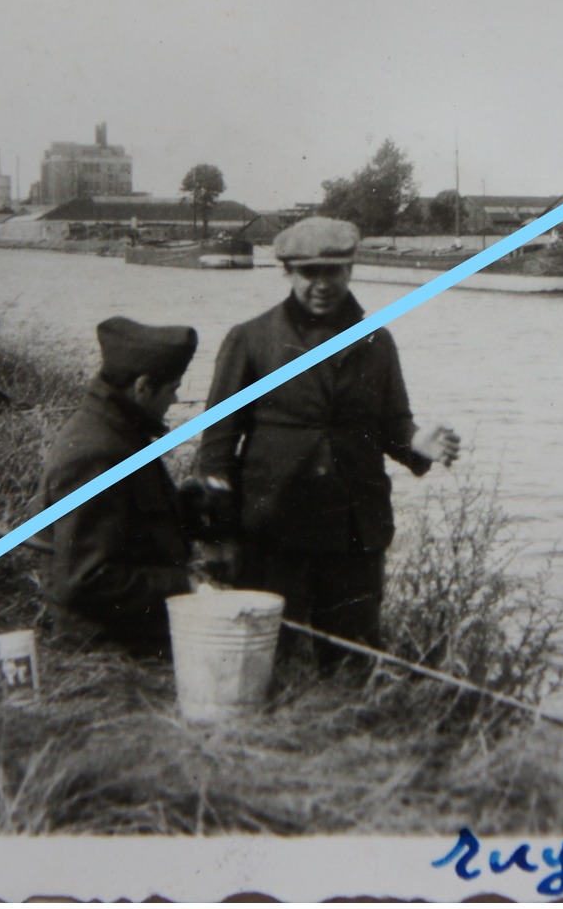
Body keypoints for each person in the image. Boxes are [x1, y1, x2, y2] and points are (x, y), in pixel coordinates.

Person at [197, 216, 460, 665]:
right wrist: (216, 529)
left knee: (353, 656)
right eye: (309, 273)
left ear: (350, 271)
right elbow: (217, 446)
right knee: (268, 655)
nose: (321, 284)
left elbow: (392, 423)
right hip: (274, 528)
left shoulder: (377, 340)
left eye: (332, 272)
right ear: (289, 273)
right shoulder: (251, 339)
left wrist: (417, 442)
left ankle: (348, 726)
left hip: (354, 529)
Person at [40, 316, 202, 652]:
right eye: (172, 389)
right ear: (143, 388)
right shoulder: (96, 454)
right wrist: (188, 584)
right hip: (107, 642)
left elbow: (135, 518)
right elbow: (85, 580)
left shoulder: (118, 430)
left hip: (128, 626)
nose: (173, 401)